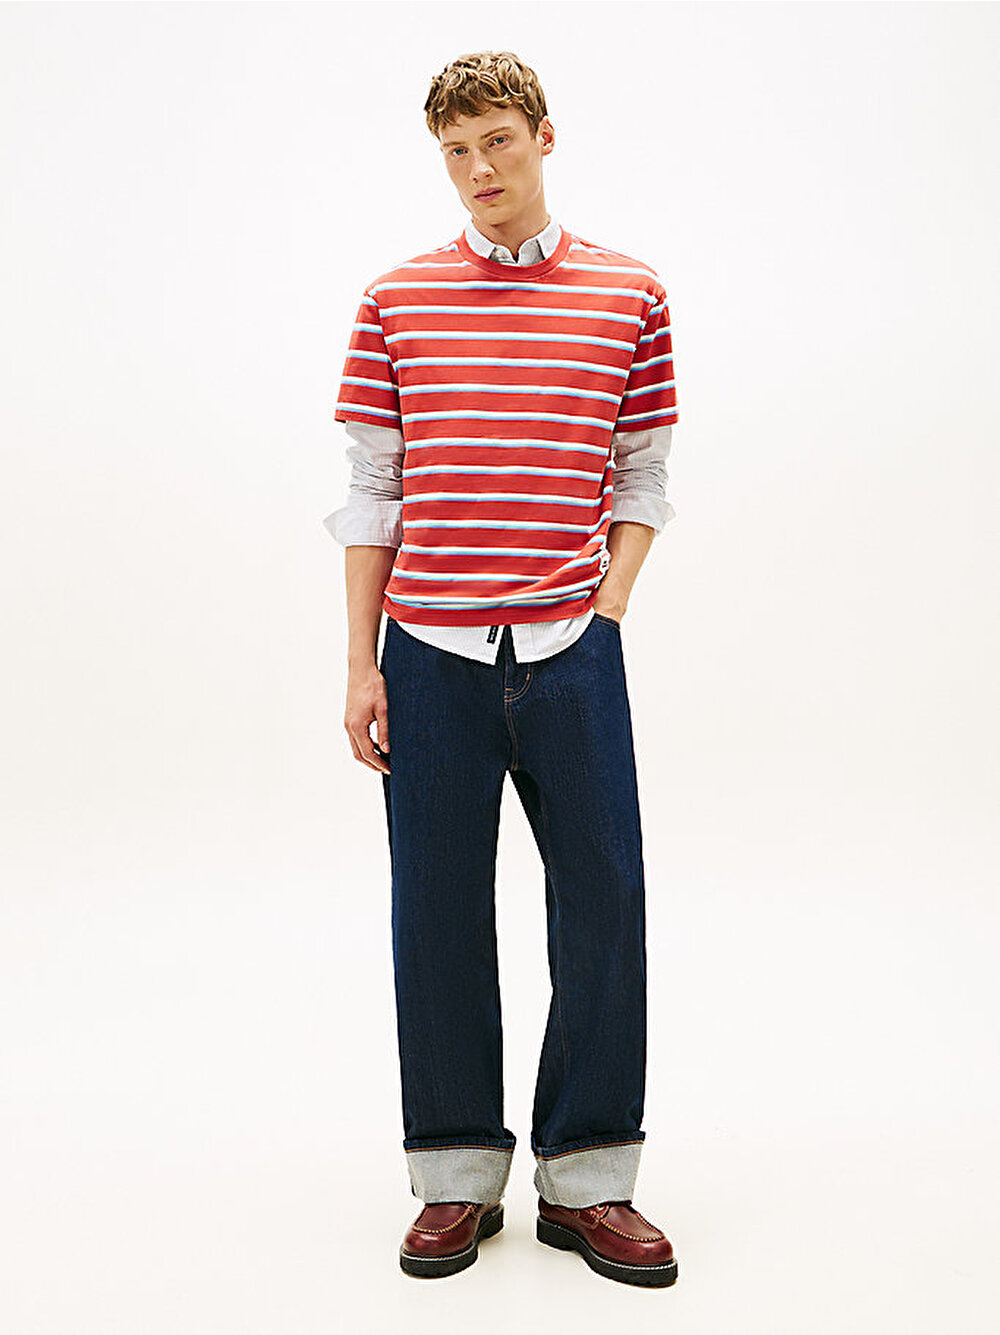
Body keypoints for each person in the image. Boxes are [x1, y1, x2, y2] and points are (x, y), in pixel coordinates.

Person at [324, 50, 680, 1288]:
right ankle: (455, 1177)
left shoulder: (630, 292)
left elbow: (641, 472)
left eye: (496, 142)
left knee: (605, 900)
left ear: (542, 135)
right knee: (434, 908)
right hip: (428, 655)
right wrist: (361, 663)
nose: (478, 170)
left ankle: (588, 1179)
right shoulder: (394, 301)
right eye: (455, 152)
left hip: (572, 651)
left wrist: (609, 604)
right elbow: (374, 490)